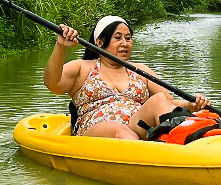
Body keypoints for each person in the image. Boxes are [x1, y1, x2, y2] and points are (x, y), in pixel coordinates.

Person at [43, 15, 209, 139]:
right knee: (120, 130)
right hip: (96, 131)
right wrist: (61, 47)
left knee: (158, 99)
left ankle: (195, 139)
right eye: (118, 38)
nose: (125, 43)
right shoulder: (82, 67)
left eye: (128, 38)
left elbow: (168, 102)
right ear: (100, 42)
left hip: (135, 126)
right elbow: (53, 83)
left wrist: (190, 104)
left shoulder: (140, 70)